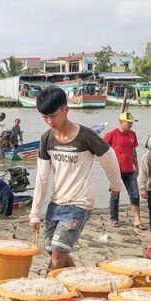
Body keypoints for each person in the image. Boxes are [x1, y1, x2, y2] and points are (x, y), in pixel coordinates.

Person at [29, 86, 122, 271]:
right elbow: (42, 178)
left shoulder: (86, 136)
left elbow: (109, 158)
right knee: (54, 250)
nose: (49, 121)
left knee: (57, 254)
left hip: (79, 203)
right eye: (45, 117)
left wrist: (116, 185)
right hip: (56, 203)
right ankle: (79, 282)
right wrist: (35, 213)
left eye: (53, 116)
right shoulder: (46, 139)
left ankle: (48, 291)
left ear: (66, 109)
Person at [104, 111, 143, 229]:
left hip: (130, 169)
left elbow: (134, 151)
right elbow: (101, 151)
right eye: (128, 123)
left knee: (135, 194)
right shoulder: (111, 134)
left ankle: (137, 220)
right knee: (115, 194)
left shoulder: (133, 134)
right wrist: (107, 167)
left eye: (131, 123)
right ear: (121, 122)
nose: (130, 125)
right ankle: (114, 218)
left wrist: (137, 167)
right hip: (116, 170)